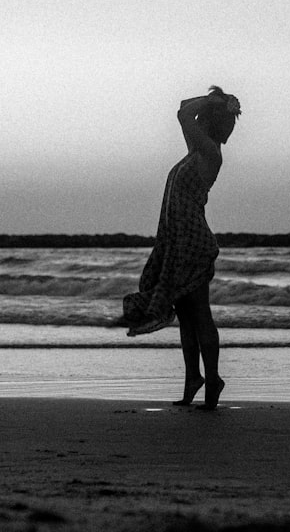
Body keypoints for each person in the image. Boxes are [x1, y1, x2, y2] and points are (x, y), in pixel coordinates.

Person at [122, 86, 241, 410]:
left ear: (208, 123)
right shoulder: (196, 151)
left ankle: (212, 378)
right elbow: (185, 110)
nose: (196, 122)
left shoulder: (209, 153)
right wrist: (215, 100)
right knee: (188, 318)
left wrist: (215, 103)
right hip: (177, 242)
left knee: (200, 315)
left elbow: (183, 113)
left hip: (192, 244)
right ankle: (193, 378)